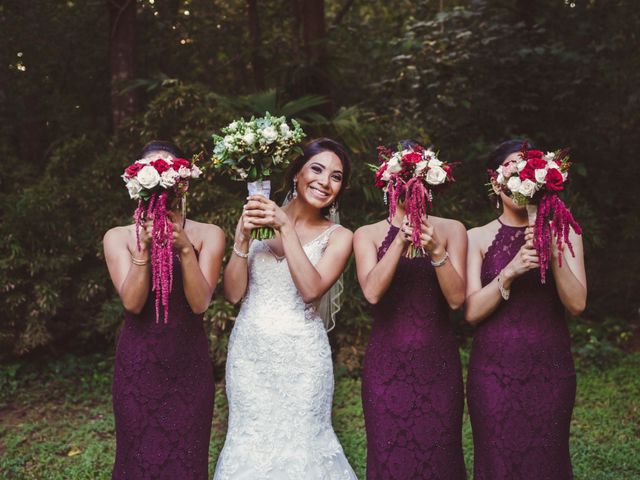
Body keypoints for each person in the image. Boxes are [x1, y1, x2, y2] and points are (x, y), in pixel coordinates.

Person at [213, 138, 357, 480]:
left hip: (302, 358)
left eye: (336, 177)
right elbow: (233, 294)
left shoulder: (340, 236)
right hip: (249, 355)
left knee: (302, 445)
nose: (325, 182)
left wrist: (285, 228)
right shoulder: (258, 217)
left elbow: (310, 291)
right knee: (249, 442)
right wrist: (242, 239)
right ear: (296, 173)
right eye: (317, 169)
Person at [465, 139, 587, 479]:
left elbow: (577, 304)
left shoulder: (567, 232)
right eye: (512, 165)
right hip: (492, 374)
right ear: (495, 182)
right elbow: (472, 312)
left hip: (550, 371)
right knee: (498, 465)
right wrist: (511, 271)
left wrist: (552, 247)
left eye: (527, 164)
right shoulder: (476, 237)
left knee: (547, 464)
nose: (521, 171)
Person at [104, 140, 225, 479]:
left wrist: (185, 249)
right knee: (136, 458)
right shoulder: (118, 237)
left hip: (188, 365)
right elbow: (132, 303)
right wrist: (143, 250)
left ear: (182, 181)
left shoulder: (209, 235)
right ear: (136, 183)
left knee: (186, 459)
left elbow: (200, 303)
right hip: (138, 366)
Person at [354, 140, 467, 479]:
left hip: (439, 364)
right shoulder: (367, 234)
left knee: (440, 460)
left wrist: (436, 251)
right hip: (386, 367)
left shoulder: (452, 230)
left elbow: (457, 299)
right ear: (388, 182)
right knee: (392, 460)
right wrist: (401, 239)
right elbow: (372, 293)